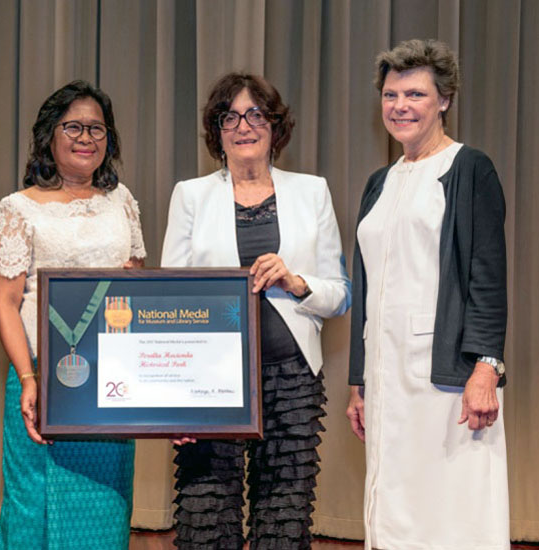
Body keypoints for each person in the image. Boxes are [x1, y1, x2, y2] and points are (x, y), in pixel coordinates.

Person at [161, 72, 351, 550]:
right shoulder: (191, 195)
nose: (244, 125)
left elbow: (341, 294)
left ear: (275, 126)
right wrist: (172, 400)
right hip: (209, 383)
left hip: (292, 379)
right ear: (217, 130)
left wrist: (296, 281)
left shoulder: (312, 191)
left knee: (283, 523)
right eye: (230, 116)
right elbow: (168, 296)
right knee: (206, 521)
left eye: (256, 114)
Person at [346, 39, 509, 550]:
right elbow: (366, 284)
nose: (400, 106)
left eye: (415, 94)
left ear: (444, 100)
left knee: (450, 507)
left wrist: (487, 366)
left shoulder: (468, 168)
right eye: (391, 95)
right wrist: (358, 380)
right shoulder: (380, 182)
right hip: (384, 372)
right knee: (392, 503)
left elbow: (488, 275)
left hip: (447, 378)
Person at [0, 80, 146, 550]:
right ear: (50, 136)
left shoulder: (122, 202)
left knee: (105, 507)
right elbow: (6, 302)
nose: (85, 137)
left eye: (96, 128)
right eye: (73, 126)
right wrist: (29, 376)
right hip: (42, 379)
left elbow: (136, 286)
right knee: (31, 505)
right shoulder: (17, 207)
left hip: (111, 384)